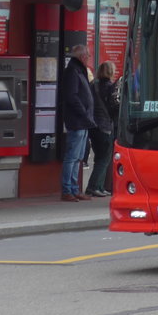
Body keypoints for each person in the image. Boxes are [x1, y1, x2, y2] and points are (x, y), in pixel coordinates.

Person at [58, 43, 96, 202]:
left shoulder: (78, 70)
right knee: (72, 156)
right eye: (87, 55)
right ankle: (68, 189)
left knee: (78, 156)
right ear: (82, 57)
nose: (89, 58)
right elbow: (72, 97)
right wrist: (84, 113)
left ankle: (74, 188)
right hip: (77, 120)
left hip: (83, 120)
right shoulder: (73, 71)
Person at [86, 61, 119, 197]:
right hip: (105, 126)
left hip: (93, 125)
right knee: (104, 159)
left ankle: (99, 186)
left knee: (98, 157)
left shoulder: (93, 85)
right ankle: (94, 187)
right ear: (111, 72)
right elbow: (113, 106)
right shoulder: (110, 87)